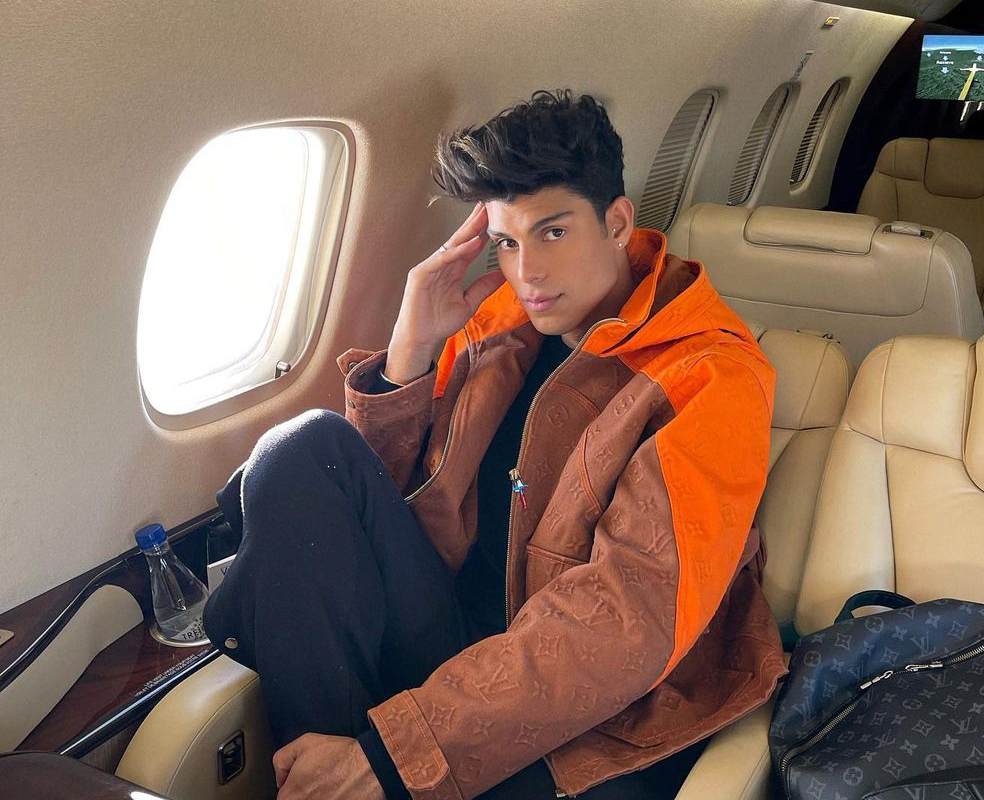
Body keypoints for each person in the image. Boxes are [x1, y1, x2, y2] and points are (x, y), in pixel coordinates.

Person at [204, 89, 785, 800]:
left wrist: (391, 760)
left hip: (604, 707)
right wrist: (410, 350)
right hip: (461, 637)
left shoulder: (712, 377)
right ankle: (321, 774)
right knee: (300, 450)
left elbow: (626, 623)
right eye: (507, 242)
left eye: (552, 232)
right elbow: (377, 503)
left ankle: (351, 776)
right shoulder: (499, 322)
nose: (527, 271)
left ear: (617, 223)